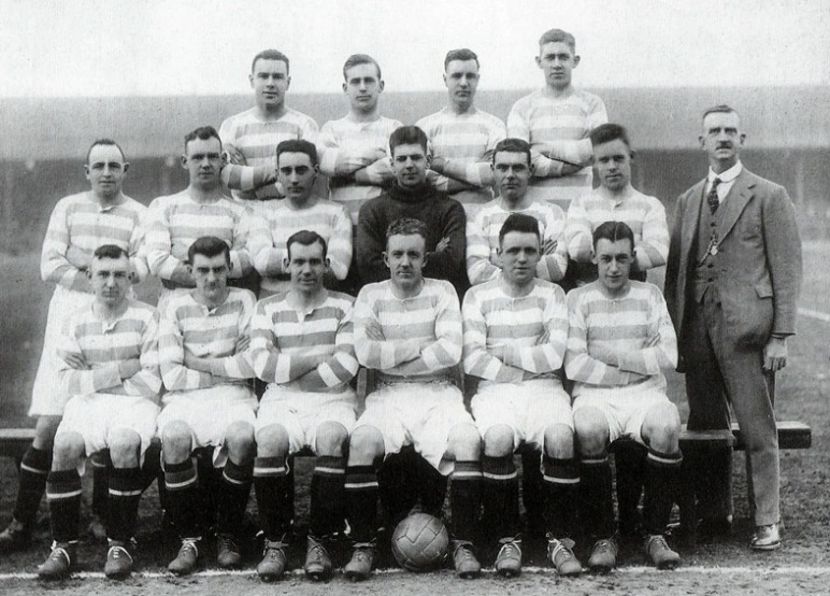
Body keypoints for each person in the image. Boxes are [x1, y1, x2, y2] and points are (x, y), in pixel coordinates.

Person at [664, 105, 802, 551]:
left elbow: (786, 268)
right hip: (698, 329)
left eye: (730, 131)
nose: (722, 137)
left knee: (758, 428)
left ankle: (767, 519)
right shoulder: (688, 200)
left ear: (742, 139)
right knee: (706, 428)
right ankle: (714, 511)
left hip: (747, 330)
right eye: (713, 131)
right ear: (700, 141)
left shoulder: (769, 194)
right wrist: (678, 332)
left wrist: (780, 335)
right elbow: (675, 274)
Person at [0, 139, 147, 553]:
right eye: (97, 165)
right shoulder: (67, 207)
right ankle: (22, 521)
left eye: (113, 165)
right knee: (49, 424)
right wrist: (102, 277)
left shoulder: (140, 214)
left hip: (118, 319)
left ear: (125, 169)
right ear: (86, 170)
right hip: (68, 318)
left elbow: (142, 265)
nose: (105, 172)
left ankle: (102, 516)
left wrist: (81, 259)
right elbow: (50, 265)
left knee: (106, 413)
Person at [344, 218, 482, 581]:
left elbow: (450, 352)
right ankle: (362, 545)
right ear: (386, 259)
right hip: (387, 394)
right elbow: (365, 354)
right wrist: (420, 346)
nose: (405, 262)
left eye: (414, 255)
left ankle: (464, 543)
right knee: (361, 442)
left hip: (438, 392)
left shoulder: (444, 292)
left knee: (467, 440)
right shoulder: (371, 295)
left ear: (425, 258)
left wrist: (391, 350)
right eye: (398, 254)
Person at [463, 213, 579, 577]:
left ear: (540, 252)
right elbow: (473, 358)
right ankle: (506, 539)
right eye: (513, 250)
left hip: (546, 389)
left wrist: (502, 350)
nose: (522, 258)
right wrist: (527, 360)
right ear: (497, 253)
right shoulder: (477, 296)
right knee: (497, 438)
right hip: (495, 391)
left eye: (530, 250)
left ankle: (560, 540)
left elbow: (555, 356)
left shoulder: (554, 294)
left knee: (560, 437)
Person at [36, 245, 161, 580]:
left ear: (130, 278)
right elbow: (66, 382)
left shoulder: (148, 317)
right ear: (89, 277)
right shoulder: (75, 321)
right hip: (87, 405)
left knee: (123, 442)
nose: (111, 282)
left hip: (135, 405)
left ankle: (120, 543)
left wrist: (94, 376)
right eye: (103, 274)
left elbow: (150, 381)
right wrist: (123, 368)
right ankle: (63, 546)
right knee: (64, 446)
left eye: (119, 275)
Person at [566, 221, 682, 571]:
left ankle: (654, 533)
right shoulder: (578, 299)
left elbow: (668, 356)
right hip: (595, 396)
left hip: (645, 393)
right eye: (605, 259)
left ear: (633, 258)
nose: (613, 267)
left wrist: (611, 355)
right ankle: (604, 536)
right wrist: (636, 362)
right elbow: (575, 365)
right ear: (594, 260)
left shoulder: (650, 296)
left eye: (621, 258)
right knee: (588, 428)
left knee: (666, 425)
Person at [248, 230, 359, 582]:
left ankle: (320, 540)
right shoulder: (267, 308)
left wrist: (288, 368)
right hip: (281, 401)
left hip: (333, 400)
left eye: (314, 261)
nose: (307, 269)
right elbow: (263, 367)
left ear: (326, 264)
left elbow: (345, 368)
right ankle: (276, 543)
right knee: (269, 441)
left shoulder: (346, 305)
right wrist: (318, 355)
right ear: (286, 264)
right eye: (299, 261)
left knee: (330, 438)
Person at [156, 236, 258, 574]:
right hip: (185, 398)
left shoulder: (245, 300)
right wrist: (225, 365)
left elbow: (250, 365)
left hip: (234, 397)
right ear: (190, 270)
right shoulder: (173, 305)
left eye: (218, 269)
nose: (211, 278)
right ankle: (190, 540)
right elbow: (171, 375)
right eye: (203, 270)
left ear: (230, 268)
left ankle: (227, 534)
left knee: (242, 437)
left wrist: (195, 361)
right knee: (173, 437)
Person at [144, 126, 270, 308]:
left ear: (223, 160)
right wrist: (220, 266)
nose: (205, 164)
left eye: (212, 157)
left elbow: (246, 262)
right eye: (197, 157)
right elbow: (158, 262)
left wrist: (184, 257)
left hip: (226, 313)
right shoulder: (162, 207)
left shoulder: (243, 212)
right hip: (175, 311)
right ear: (184, 161)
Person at [356, 125, 467, 296]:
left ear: (428, 161)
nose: (409, 165)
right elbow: (369, 268)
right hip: (386, 302)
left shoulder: (450, 209)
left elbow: (451, 263)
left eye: (416, 158)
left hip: (436, 299)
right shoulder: (372, 210)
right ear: (392, 164)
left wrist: (397, 262)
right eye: (401, 159)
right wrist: (433, 255)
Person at [507, 28, 608, 213]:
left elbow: (598, 150)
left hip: (581, 211)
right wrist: (572, 163)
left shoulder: (593, 104)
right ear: (539, 62)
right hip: (535, 212)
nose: (557, 64)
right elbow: (522, 160)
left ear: (575, 61)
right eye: (550, 57)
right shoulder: (522, 108)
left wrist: (548, 150)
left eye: (563, 57)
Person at [566, 123, 669, 286]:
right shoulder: (581, 204)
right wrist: (632, 249)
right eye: (604, 160)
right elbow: (577, 249)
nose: (612, 166)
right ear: (594, 162)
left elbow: (658, 252)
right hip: (590, 300)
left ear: (631, 157)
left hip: (634, 300)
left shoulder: (650, 206)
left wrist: (600, 253)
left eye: (618, 158)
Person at [219, 49, 319, 216]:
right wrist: (279, 173)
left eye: (278, 77)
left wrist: (250, 189)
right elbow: (227, 178)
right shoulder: (232, 127)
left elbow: (306, 180)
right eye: (263, 76)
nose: (270, 83)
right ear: (252, 80)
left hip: (292, 219)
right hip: (245, 220)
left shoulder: (305, 125)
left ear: (288, 82)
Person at [252, 140, 352, 297]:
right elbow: (262, 262)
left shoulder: (336, 213)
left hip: (321, 310)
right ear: (277, 174)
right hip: (274, 311)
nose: (294, 179)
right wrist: (316, 261)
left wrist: (283, 262)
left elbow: (338, 269)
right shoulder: (263, 211)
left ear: (316, 172)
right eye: (286, 171)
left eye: (301, 170)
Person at [416, 48, 506, 217]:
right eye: (457, 76)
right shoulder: (425, 127)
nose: (464, 83)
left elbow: (493, 175)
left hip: (484, 219)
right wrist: (475, 178)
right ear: (445, 79)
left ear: (477, 79)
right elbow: (424, 179)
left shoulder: (494, 125)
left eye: (470, 76)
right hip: (438, 220)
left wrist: (442, 166)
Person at [466, 138, 567, 286]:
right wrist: (534, 262)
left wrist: (498, 262)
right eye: (502, 168)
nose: (510, 175)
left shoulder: (551, 213)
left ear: (530, 170)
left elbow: (556, 268)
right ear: (493, 170)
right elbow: (477, 273)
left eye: (518, 168)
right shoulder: (479, 216)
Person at [317, 54, 402, 225]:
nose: (362, 88)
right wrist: (375, 154)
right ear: (345, 87)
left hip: (382, 226)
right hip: (341, 227)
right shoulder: (331, 129)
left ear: (381, 86)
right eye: (355, 82)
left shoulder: (394, 128)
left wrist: (345, 175)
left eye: (369, 80)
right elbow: (327, 164)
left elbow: (394, 168)